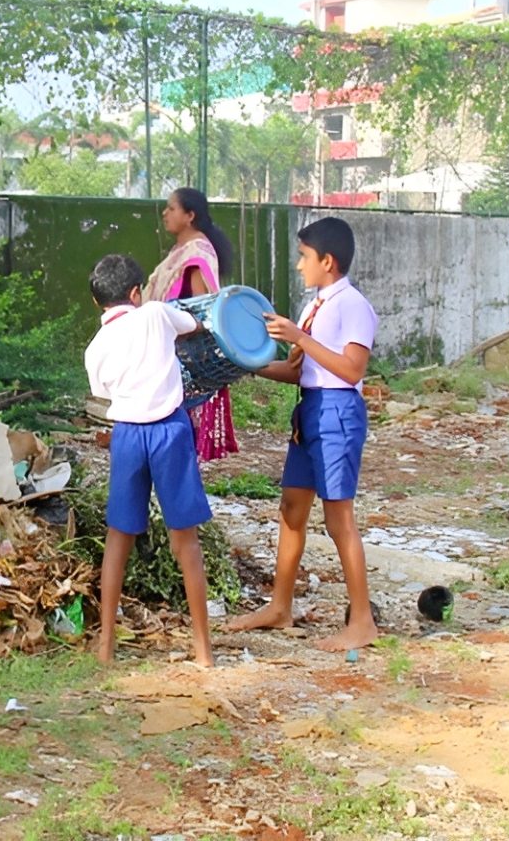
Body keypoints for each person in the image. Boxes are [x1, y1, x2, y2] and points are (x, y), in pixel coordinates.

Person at [225, 216, 379, 653]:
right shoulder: (317, 306)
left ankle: (362, 621)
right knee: (292, 508)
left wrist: (298, 337)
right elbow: (300, 371)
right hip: (309, 411)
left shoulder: (352, 305)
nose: (299, 265)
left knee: (338, 518)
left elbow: (352, 370)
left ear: (327, 261)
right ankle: (280, 607)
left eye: (303, 256)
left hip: (337, 412)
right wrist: (244, 364)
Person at [85, 253, 215, 667]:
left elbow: (104, 392)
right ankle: (203, 650)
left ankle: (106, 644)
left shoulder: (95, 348)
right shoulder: (157, 314)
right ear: (136, 292)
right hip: (169, 432)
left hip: (127, 435)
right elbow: (195, 325)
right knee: (185, 540)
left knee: (118, 537)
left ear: (97, 302)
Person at [143, 187, 239, 461]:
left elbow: (201, 311)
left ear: (190, 215)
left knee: (178, 441)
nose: (165, 213)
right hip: (169, 352)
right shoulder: (181, 250)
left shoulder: (196, 253)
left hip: (185, 360)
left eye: (171, 208)